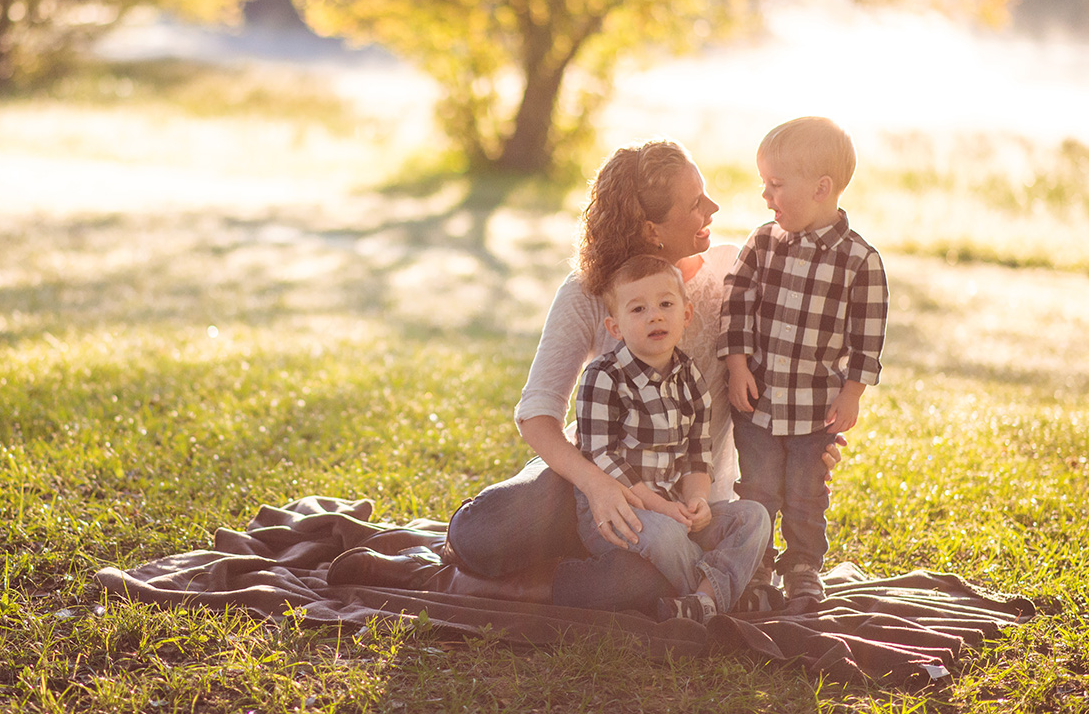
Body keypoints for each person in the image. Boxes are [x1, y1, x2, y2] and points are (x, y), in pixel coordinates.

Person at [328, 138, 840, 616]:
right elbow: (537, 412)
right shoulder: (589, 292)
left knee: (637, 587)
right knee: (483, 532)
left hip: (687, 500)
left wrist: (813, 441)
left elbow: (793, 358)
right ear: (649, 229)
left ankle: (466, 586)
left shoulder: (734, 270)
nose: (714, 211)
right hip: (589, 476)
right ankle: (468, 557)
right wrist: (597, 487)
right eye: (696, 203)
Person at [719, 116, 889, 601]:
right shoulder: (762, 242)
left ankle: (802, 568)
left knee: (806, 493)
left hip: (816, 408)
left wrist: (852, 392)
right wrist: (735, 364)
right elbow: (737, 301)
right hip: (758, 399)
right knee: (757, 489)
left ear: (821, 188)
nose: (766, 197)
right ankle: (753, 566)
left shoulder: (860, 260)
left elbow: (867, 333)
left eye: (775, 185)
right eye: (763, 185)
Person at [574, 254, 768, 622]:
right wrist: (660, 509)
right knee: (665, 536)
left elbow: (698, 452)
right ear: (615, 328)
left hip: (674, 510)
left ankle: (702, 601)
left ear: (686, 315)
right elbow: (602, 456)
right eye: (639, 309)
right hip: (618, 510)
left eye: (666, 304)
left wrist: (697, 500)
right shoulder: (604, 377)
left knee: (753, 517)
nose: (655, 316)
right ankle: (721, 596)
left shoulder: (690, 376)